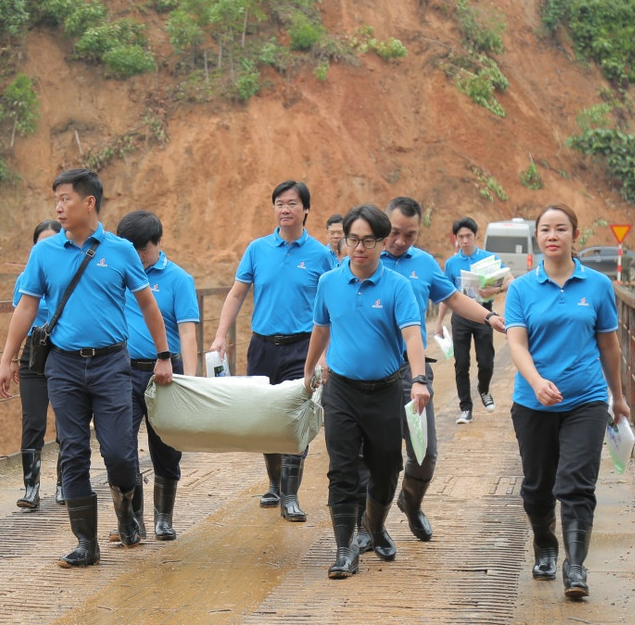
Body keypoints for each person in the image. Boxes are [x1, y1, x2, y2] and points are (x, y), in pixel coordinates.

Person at [0, 168, 174, 569]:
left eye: (66, 198)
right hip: (63, 365)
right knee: (73, 451)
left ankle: (127, 514)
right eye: (56, 200)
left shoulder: (121, 250)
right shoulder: (44, 253)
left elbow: (148, 304)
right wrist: (8, 359)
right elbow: (26, 307)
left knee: (119, 453)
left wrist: (163, 355)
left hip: (112, 364)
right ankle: (85, 543)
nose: (58, 207)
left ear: (89, 202)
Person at [502, 202, 630, 599]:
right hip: (533, 402)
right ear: (537, 237)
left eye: (560, 228)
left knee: (576, 483)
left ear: (575, 235)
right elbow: (516, 343)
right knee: (538, 486)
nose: (552, 236)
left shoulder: (598, 286)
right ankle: (545, 546)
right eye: (545, 229)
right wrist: (537, 381)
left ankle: (575, 567)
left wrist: (618, 397)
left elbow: (609, 345)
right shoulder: (521, 288)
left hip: (586, 400)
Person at [303, 205, 429, 579]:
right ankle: (345, 550)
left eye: (368, 240)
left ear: (382, 242)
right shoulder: (329, 282)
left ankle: (375, 527)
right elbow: (321, 329)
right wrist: (309, 370)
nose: (359, 248)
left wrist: (419, 379)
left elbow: (412, 335)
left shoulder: (398, 286)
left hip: (386, 391)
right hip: (341, 390)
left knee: (386, 468)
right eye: (353, 239)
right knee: (342, 469)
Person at [210, 179, 336, 523]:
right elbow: (237, 294)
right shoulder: (257, 249)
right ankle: (275, 483)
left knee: (295, 418)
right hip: (262, 347)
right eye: (279, 203)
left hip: (303, 348)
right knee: (265, 418)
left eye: (292, 203)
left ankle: (290, 496)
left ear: (306, 210)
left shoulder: (321, 256)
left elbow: (332, 306)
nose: (285, 209)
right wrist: (220, 336)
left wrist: (326, 354)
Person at [379, 197, 502, 542]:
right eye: (395, 232)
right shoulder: (365, 258)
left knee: (425, 452)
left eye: (410, 235)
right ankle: (370, 525)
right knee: (377, 455)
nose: (400, 241)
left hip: (412, 370)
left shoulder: (424, 263)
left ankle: (411, 502)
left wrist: (489, 317)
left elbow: (455, 298)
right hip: (371, 371)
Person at [115, 210, 199, 542]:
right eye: (130, 249)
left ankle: (163, 518)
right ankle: (132, 520)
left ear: (159, 242)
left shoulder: (179, 279)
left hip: (165, 372)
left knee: (165, 446)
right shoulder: (117, 275)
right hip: (122, 371)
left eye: (143, 249)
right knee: (121, 446)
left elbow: (188, 332)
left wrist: (189, 381)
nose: (137, 256)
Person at [434, 216, 507, 424]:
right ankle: (465, 408)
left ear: (476, 236)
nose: (465, 240)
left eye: (468, 236)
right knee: (461, 363)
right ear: (456, 239)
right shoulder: (451, 264)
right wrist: (439, 322)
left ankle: (484, 389)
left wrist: (493, 290)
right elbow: (446, 295)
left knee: (486, 361)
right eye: (461, 237)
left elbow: (510, 281)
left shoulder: (489, 260)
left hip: (485, 315)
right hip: (460, 317)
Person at [13, 220, 64, 511]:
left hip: (64, 350)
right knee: (33, 421)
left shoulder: (69, 276)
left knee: (67, 420)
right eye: (40, 245)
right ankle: (31, 488)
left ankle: (64, 483)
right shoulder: (25, 278)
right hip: (34, 352)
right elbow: (20, 320)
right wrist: (10, 359)